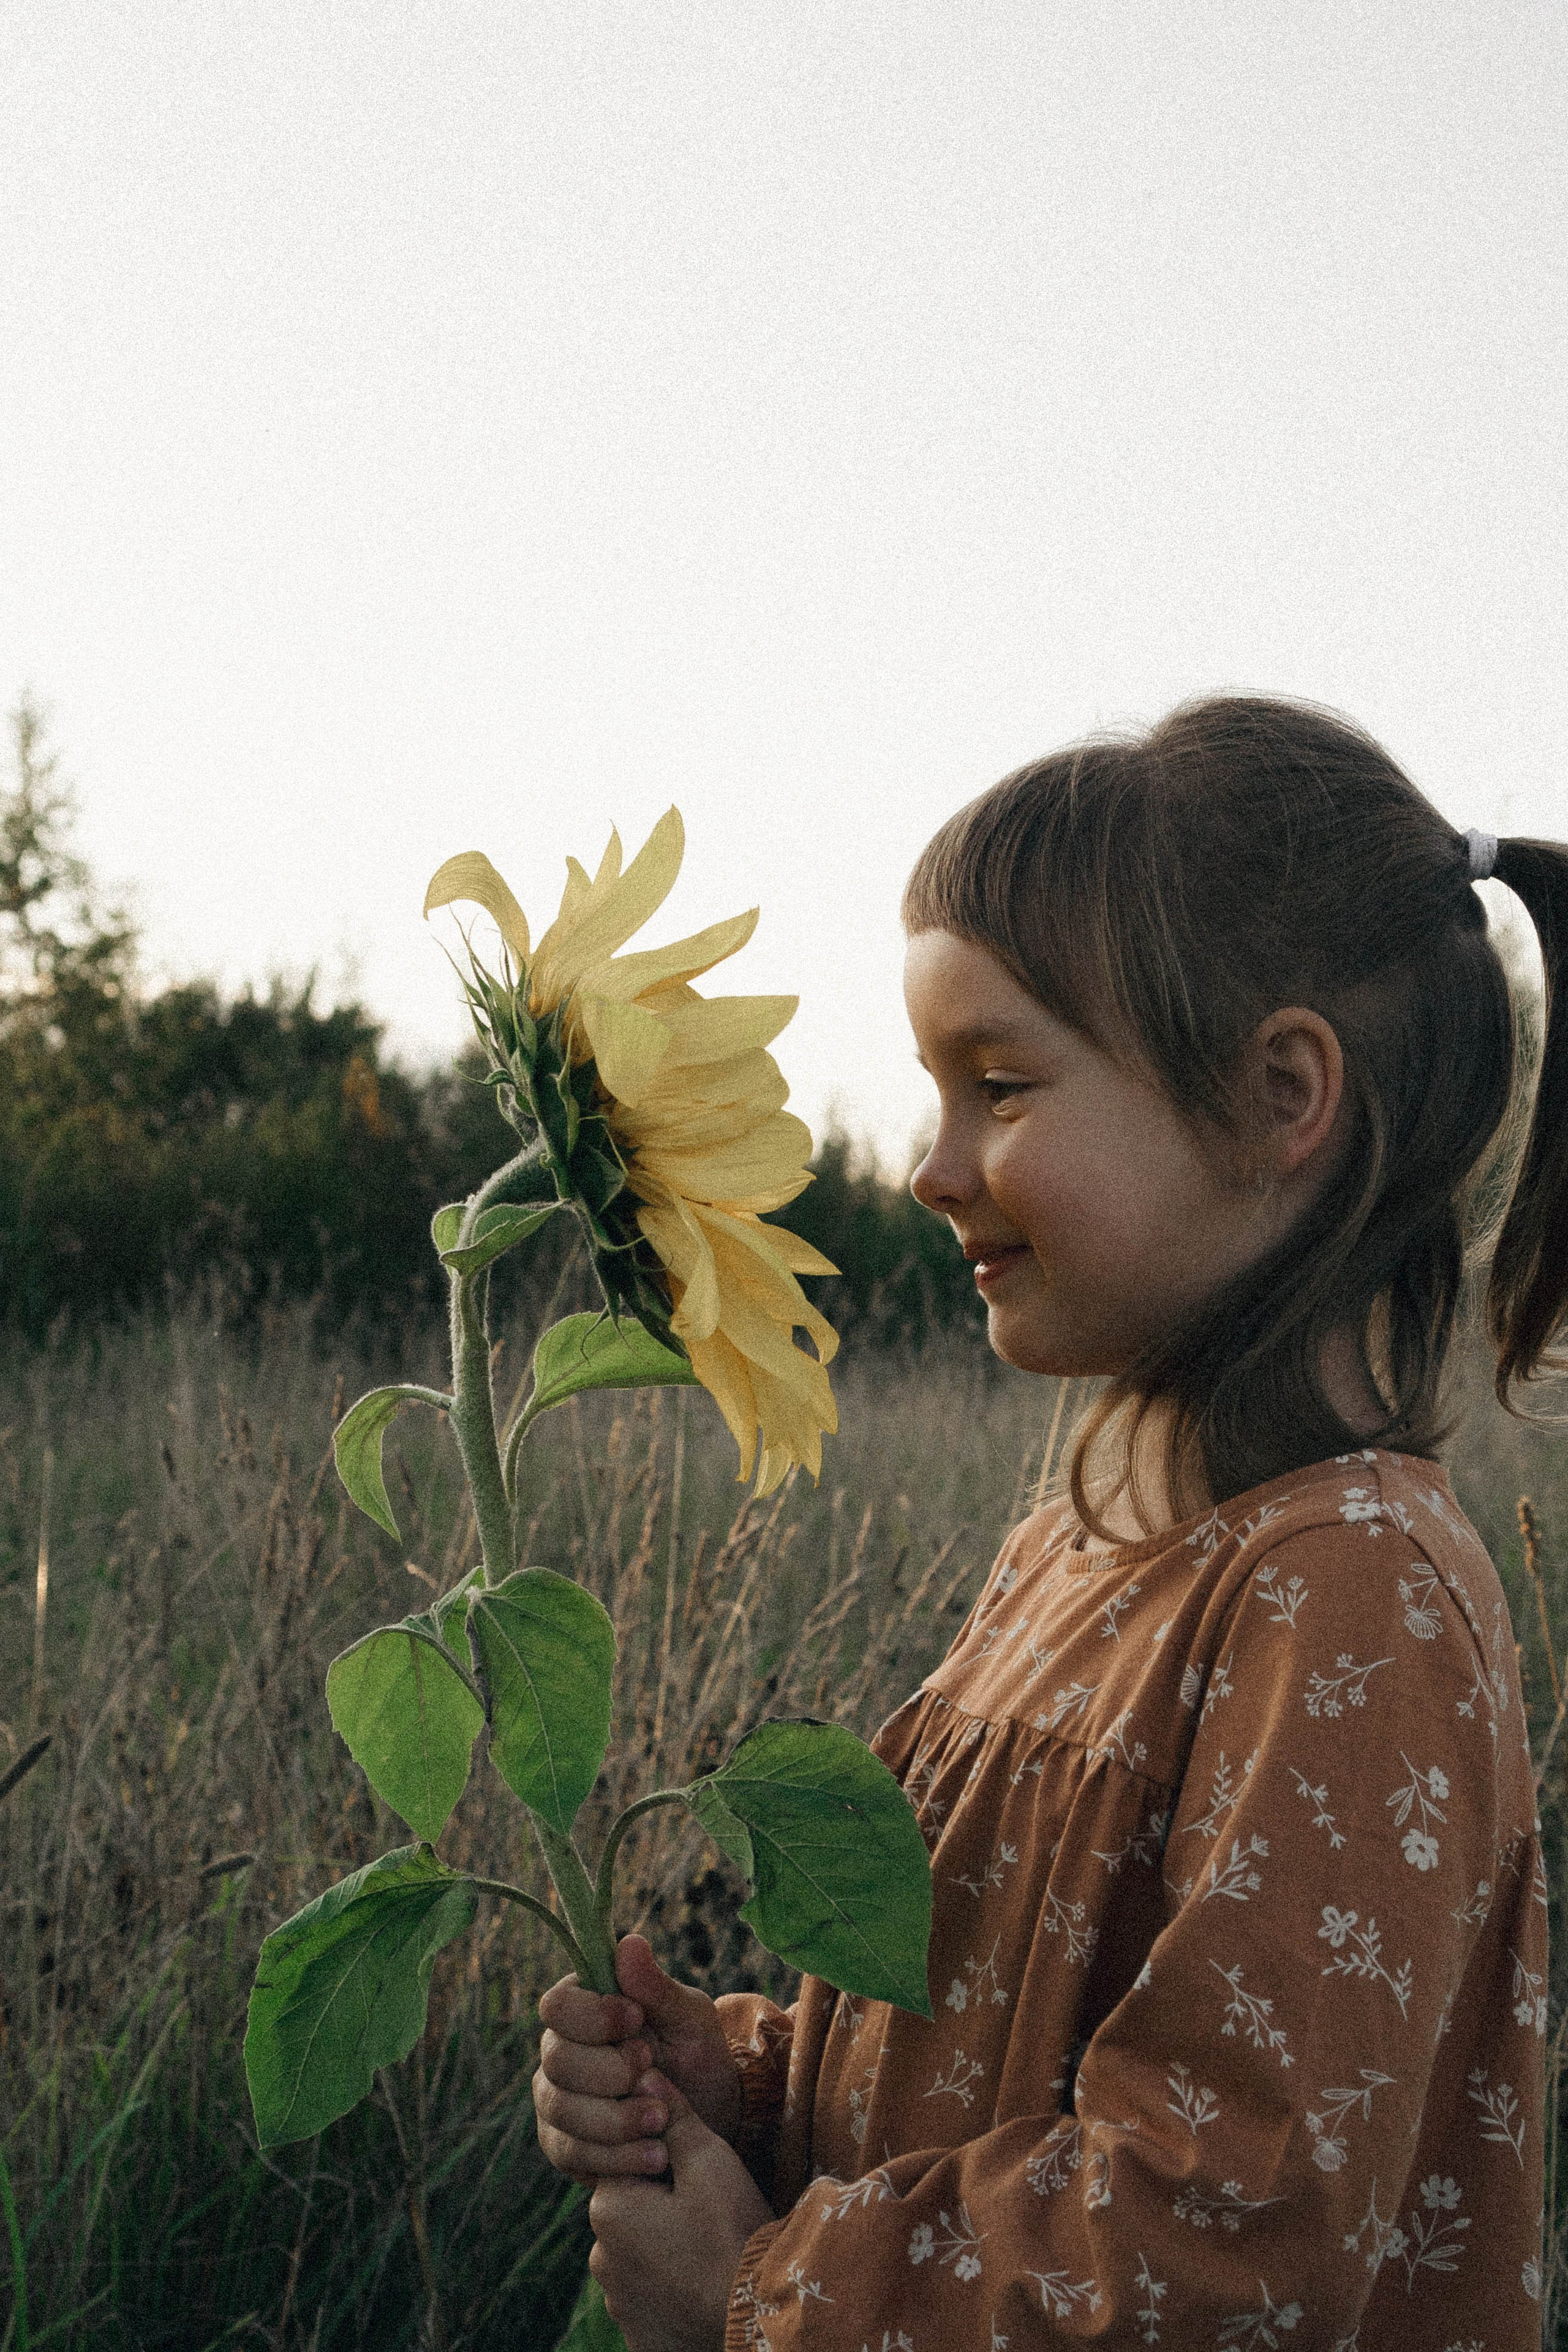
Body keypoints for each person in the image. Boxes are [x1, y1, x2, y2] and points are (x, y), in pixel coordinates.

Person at [533, 696, 1559, 2349]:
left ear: (1281, 1095)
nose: (933, 1167)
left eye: (999, 1086)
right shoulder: (1080, 1545)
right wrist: (752, 2089)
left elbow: (1223, 2234)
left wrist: (763, 2295)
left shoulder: (1351, 1596)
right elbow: (983, 2052)